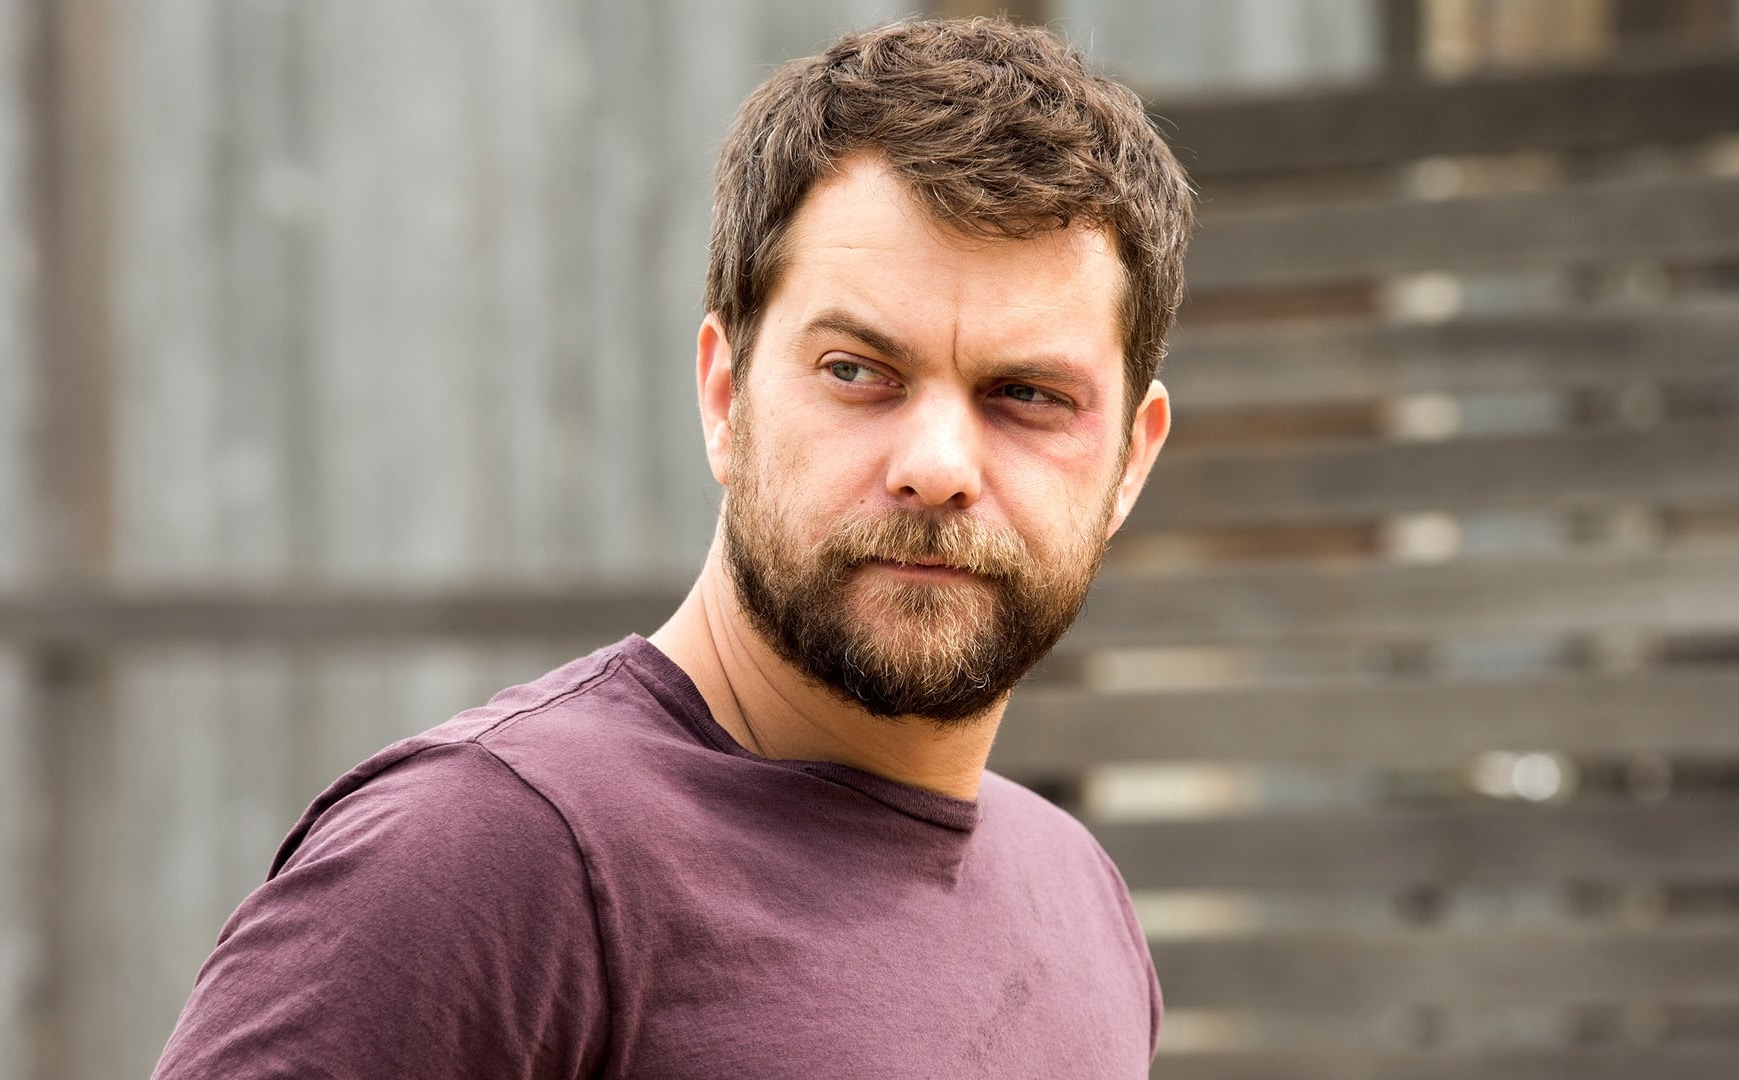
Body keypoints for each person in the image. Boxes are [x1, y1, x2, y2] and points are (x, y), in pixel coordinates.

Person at [153, 16, 1191, 1079]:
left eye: (1028, 395)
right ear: (725, 396)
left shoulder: (1078, 900)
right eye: (856, 371)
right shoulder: (487, 860)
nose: (937, 465)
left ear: (1130, 462)